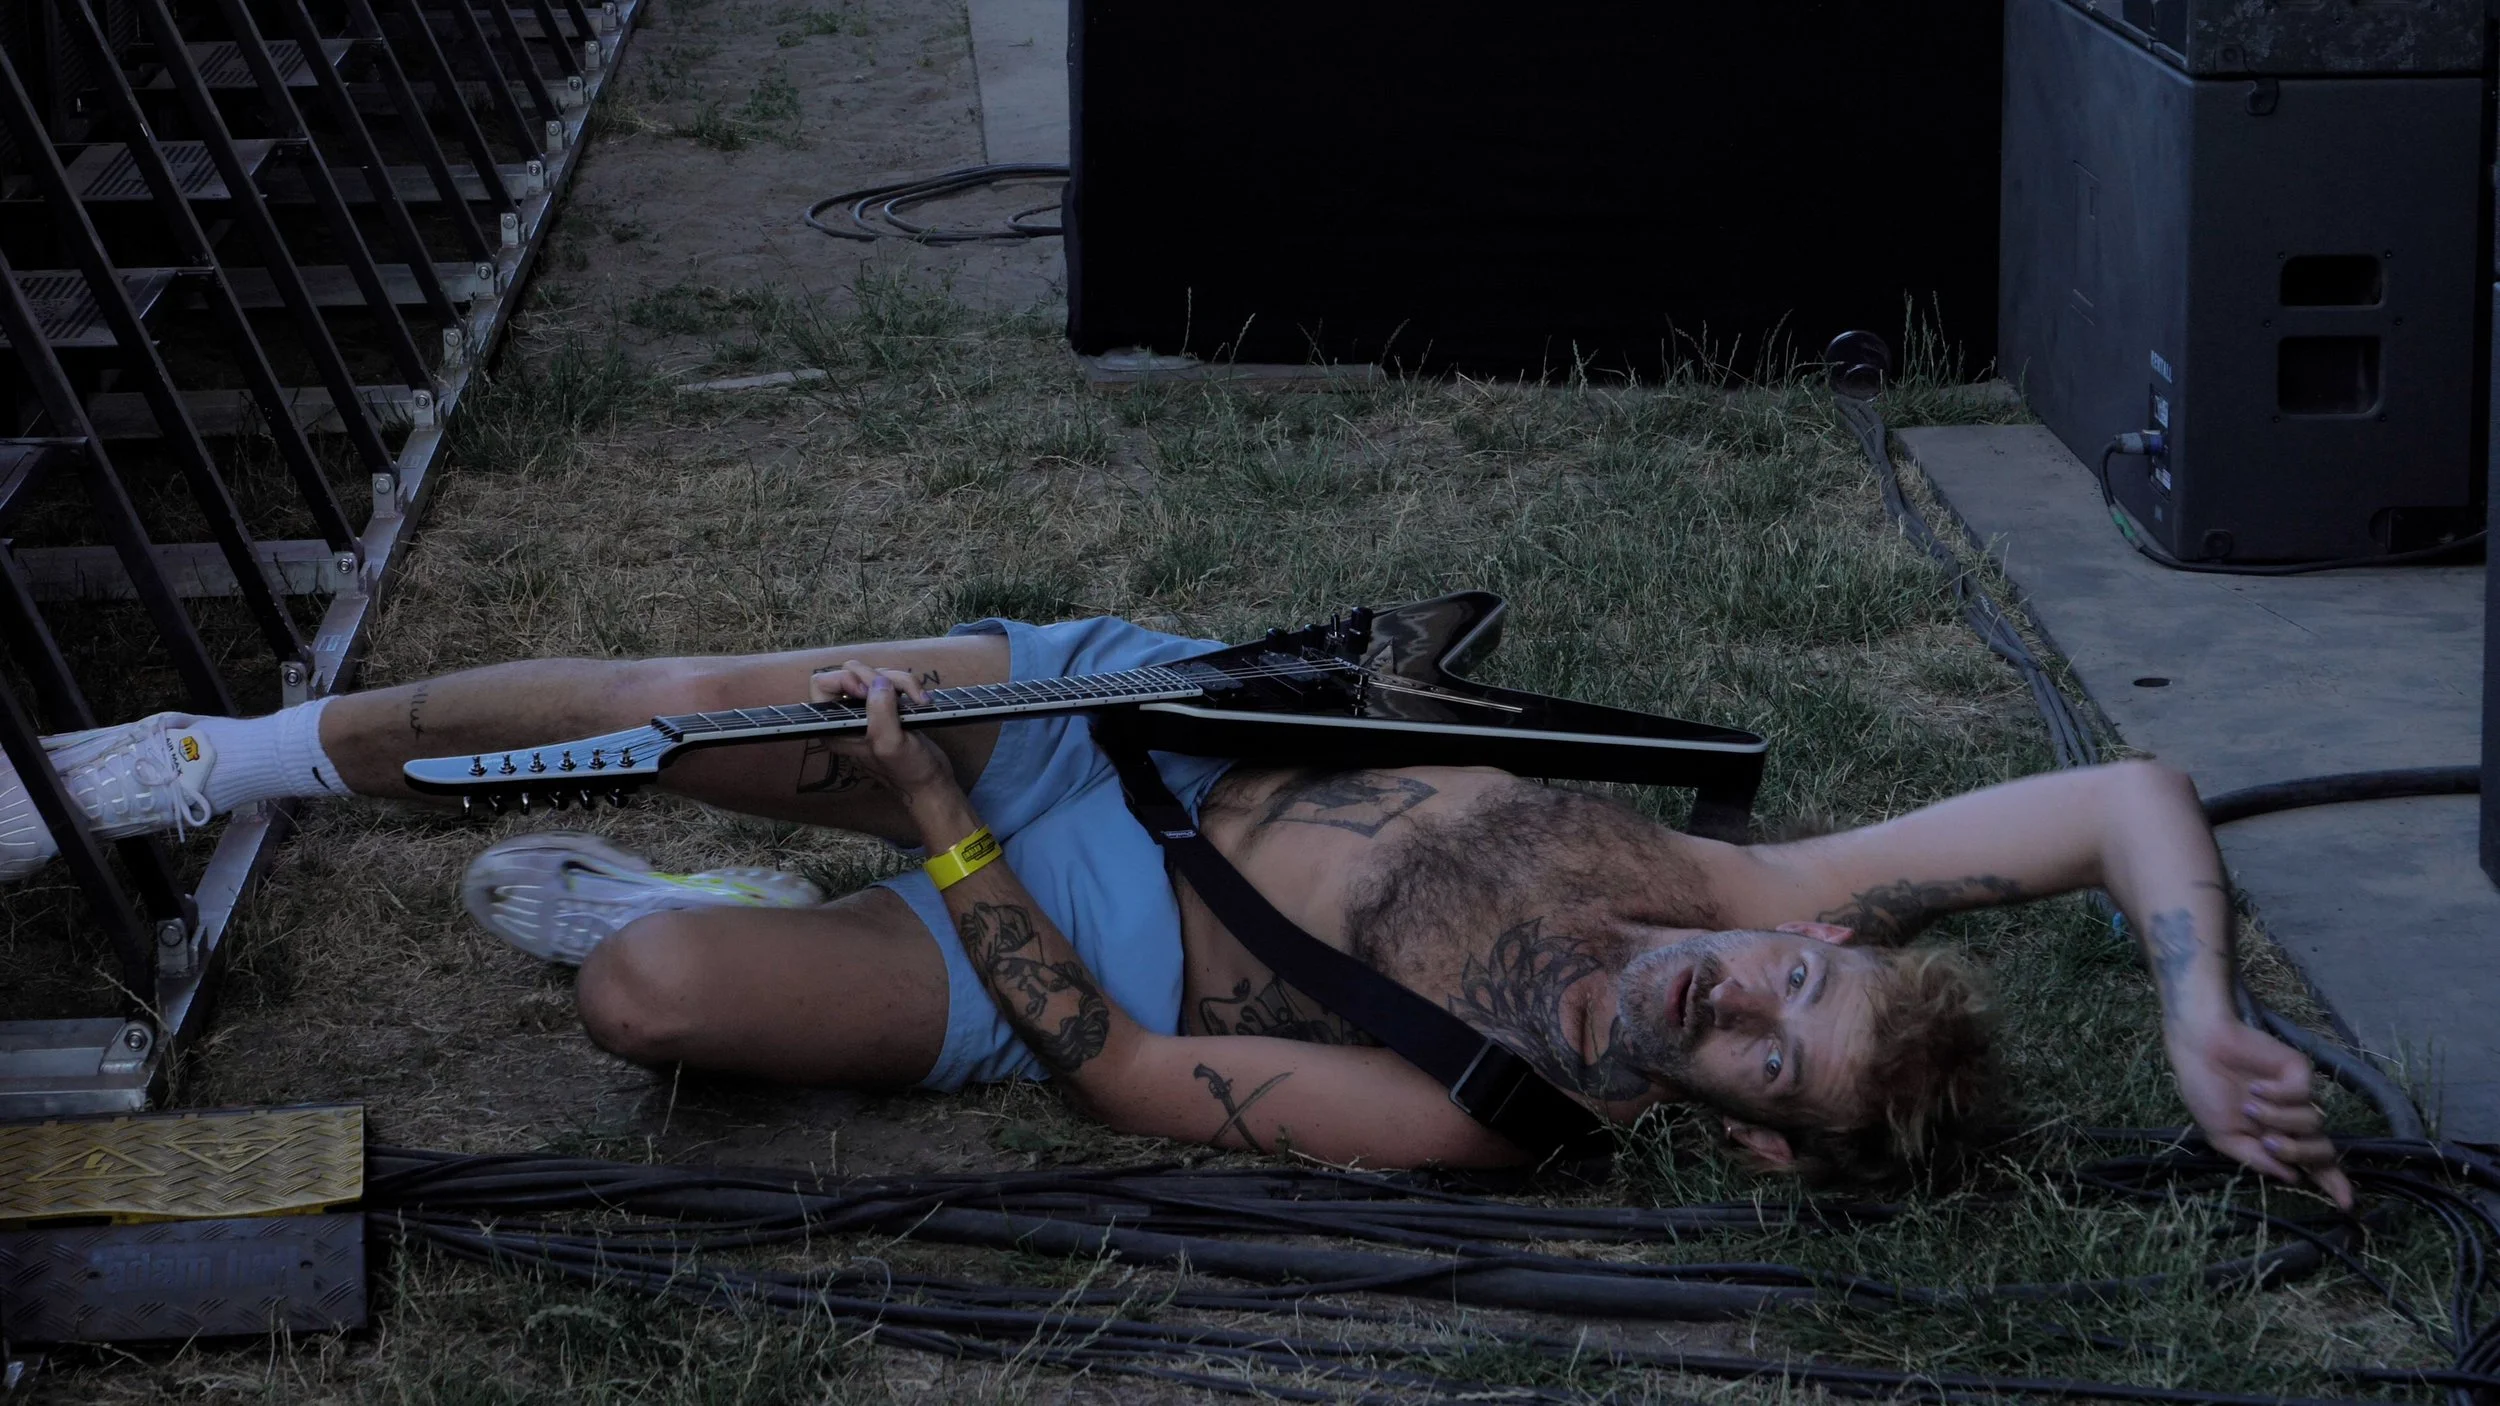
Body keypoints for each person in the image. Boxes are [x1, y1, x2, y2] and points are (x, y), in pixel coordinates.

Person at [0, 615, 2350, 1202]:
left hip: (1046, 932)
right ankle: (192, 763)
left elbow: (1125, 1074)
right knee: (696, 699)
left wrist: (932, 835)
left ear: (1744, 1126)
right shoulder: (1755, 880)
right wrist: (2188, 1013)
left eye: (1762, 1055)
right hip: (1119, 735)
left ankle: (704, 884)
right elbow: (2123, 789)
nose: (1739, 988)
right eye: (1792, 981)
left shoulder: (1475, 1111)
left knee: (651, 990)